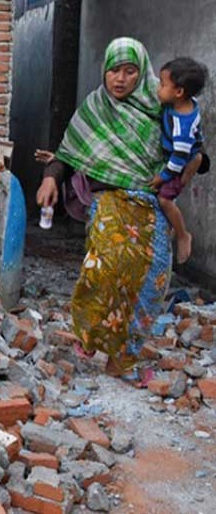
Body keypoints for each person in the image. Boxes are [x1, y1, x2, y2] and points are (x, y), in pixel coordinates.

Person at [36, 37, 170, 385]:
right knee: (104, 268)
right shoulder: (95, 108)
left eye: (129, 71)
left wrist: (195, 162)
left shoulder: (162, 106)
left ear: (142, 74)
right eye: (114, 70)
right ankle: (91, 335)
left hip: (152, 204)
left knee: (151, 281)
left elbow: (187, 143)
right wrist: (50, 179)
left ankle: (122, 358)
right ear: (104, 71)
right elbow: (68, 152)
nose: (120, 79)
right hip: (108, 199)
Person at [148, 57, 209, 264]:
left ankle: (183, 234)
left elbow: (178, 159)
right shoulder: (181, 103)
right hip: (183, 154)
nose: (158, 88)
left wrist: (161, 177)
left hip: (180, 160)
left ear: (179, 92)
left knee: (164, 200)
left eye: (163, 85)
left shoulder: (182, 126)